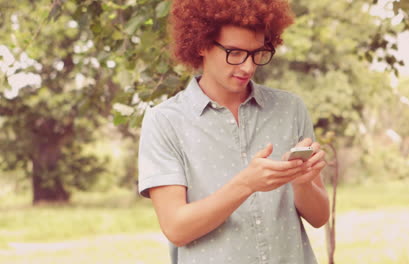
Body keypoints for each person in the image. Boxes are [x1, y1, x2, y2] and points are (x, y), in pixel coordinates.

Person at [138, 0, 330, 263]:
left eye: (257, 53)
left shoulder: (290, 109)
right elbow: (176, 228)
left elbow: (319, 218)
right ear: (202, 44)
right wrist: (246, 184)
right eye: (235, 53)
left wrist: (302, 182)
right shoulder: (164, 121)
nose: (248, 67)